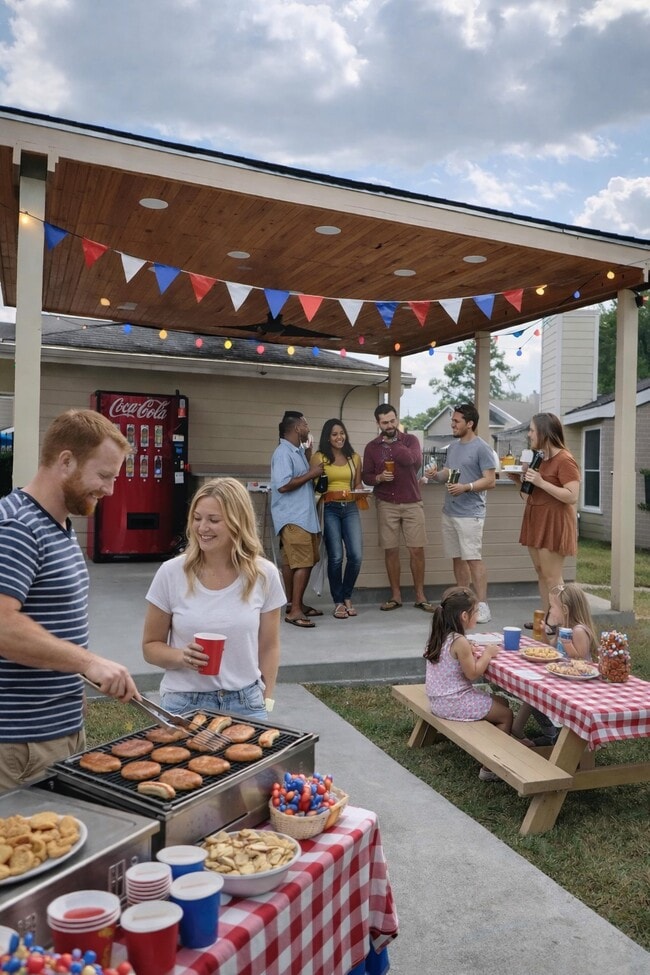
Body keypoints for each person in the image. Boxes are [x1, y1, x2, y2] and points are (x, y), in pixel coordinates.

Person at [0, 409, 140, 791]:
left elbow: (51, 629)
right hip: (21, 744)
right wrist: (89, 662)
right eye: (104, 476)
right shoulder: (17, 527)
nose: (109, 490)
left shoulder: (58, 524)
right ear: (65, 461)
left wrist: (74, 686)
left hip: (57, 730)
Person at [142, 477, 285, 720]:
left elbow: (269, 646)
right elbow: (150, 647)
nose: (202, 528)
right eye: (197, 518)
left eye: (213, 520)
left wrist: (266, 699)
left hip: (246, 702)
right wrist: (181, 656)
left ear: (237, 523)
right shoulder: (171, 572)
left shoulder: (264, 574)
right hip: (183, 702)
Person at [423, 587, 513, 781]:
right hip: (454, 702)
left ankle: (510, 742)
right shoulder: (460, 641)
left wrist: (469, 650)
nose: (477, 615)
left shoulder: (443, 634)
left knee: (501, 701)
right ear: (465, 616)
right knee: (506, 715)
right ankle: (490, 769)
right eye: (476, 612)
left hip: (438, 700)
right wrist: (488, 654)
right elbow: (472, 673)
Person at [424, 403, 496, 623]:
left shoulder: (482, 448)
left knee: (473, 559)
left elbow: (490, 480)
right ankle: (464, 604)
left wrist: (466, 487)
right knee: (457, 559)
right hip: (450, 511)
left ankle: (482, 606)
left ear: (470, 423)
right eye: (453, 420)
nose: (452, 424)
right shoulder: (453, 447)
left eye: (456, 421)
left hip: (470, 514)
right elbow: (450, 473)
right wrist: (436, 475)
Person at [362, 403, 433, 612]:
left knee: (417, 550)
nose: (390, 425)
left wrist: (394, 444)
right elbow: (366, 476)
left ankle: (420, 596)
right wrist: (379, 477)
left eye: (393, 420)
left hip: (412, 501)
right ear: (378, 423)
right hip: (386, 502)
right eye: (385, 422)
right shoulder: (371, 447)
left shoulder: (410, 441)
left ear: (397, 419)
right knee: (391, 550)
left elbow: (412, 461)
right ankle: (396, 596)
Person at [508, 413, 580, 610]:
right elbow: (530, 496)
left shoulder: (564, 459)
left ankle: (561, 625)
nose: (529, 434)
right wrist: (519, 481)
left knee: (552, 577)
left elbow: (572, 495)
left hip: (554, 522)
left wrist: (541, 482)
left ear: (544, 432)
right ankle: (547, 621)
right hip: (536, 519)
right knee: (541, 572)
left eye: (532, 430)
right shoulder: (540, 458)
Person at [514, 582, 598, 745]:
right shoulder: (563, 628)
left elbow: (580, 660)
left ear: (565, 610)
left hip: (579, 684)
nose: (550, 611)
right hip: (562, 678)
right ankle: (523, 730)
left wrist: (567, 643)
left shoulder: (579, 630)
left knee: (539, 693)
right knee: (532, 689)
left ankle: (554, 734)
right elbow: (552, 649)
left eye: (553, 607)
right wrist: (543, 634)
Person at [270, 412, 324, 628]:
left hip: (302, 517)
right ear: (295, 428)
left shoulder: (297, 451)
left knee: (293, 562)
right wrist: (312, 473)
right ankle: (295, 612)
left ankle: (295, 603)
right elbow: (283, 485)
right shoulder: (283, 452)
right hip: (294, 517)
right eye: (305, 424)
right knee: (303, 561)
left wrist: (308, 455)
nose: (308, 428)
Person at [313, 418, 364, 619]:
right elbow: (315, 485)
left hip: (350, 506)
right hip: (329, 508)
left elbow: (357, 483)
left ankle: (346, 595)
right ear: (328, 437)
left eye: (341, 433)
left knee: (356, 555)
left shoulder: (354, 457)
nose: (339, 437)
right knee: (335, 557)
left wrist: (361, 490)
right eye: (334, 434)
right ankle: (338, 601)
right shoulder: (319, 457)